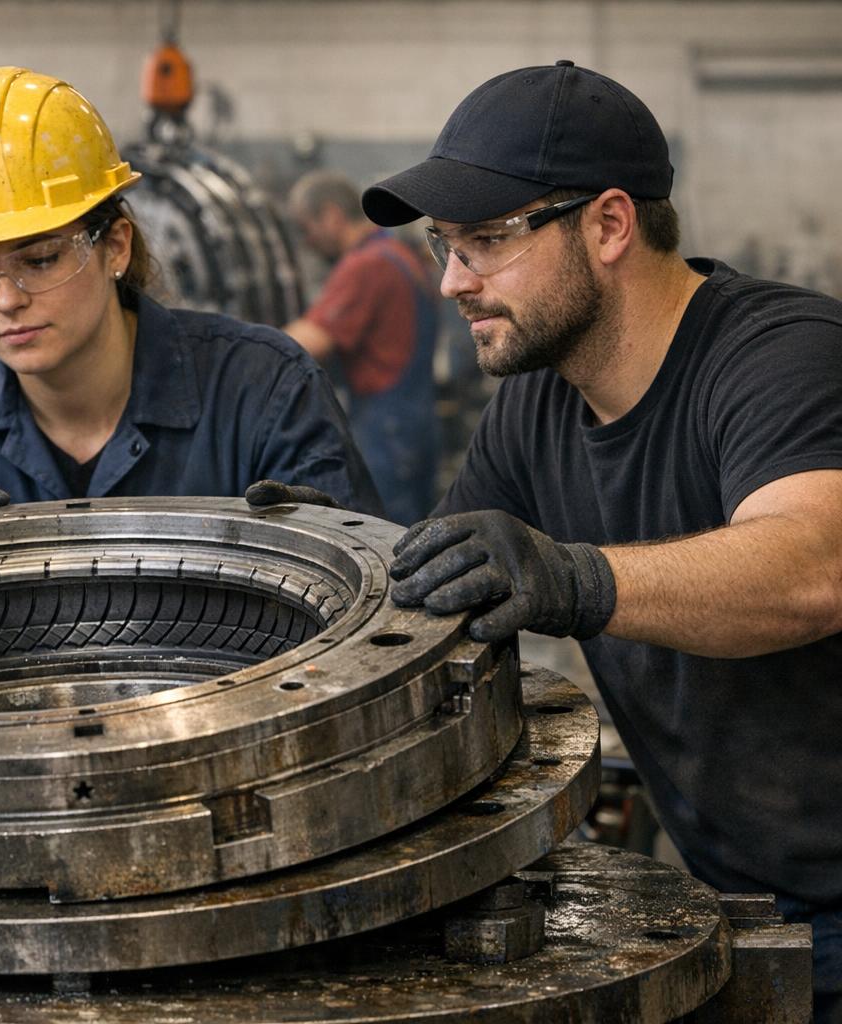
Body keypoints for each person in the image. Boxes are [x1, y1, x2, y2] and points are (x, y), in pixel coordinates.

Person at [339, 59, 840, 1020]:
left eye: (484, 241)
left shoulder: (783, 355)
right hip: (738, 900)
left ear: (610, 225)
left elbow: (813, 567)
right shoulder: (535, 405)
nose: (452, 282)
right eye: (445, 246)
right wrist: (302, 554)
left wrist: (576, 577)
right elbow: (428, 588)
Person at [0, 67, 379, 528]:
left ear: (115, 247)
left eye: (40, 260)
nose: (7, 300)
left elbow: (356, 615)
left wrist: (325, 554)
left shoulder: (263, 394)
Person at [283, 170, 441, 525]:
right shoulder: (400, 253)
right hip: (416, 424)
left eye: (308, 228)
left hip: (385, 435)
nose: (308, 242)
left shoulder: (365, 266)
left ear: (332, 215)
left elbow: (305, 342)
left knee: (385, 543)